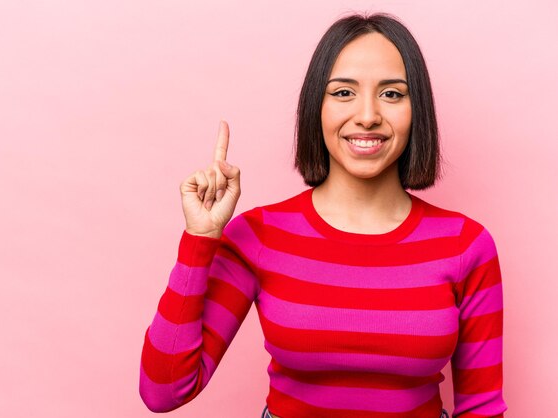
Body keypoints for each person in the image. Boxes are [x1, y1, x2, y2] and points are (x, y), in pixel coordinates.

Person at [139, 12, 507, 418]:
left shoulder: (466, 244)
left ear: (417, 110)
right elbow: (165, 390)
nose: (368, 115)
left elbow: (482, 407)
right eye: (344, 93)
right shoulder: (258, 235)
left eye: (392, 94)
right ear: (316, 106)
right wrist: (200, 238)